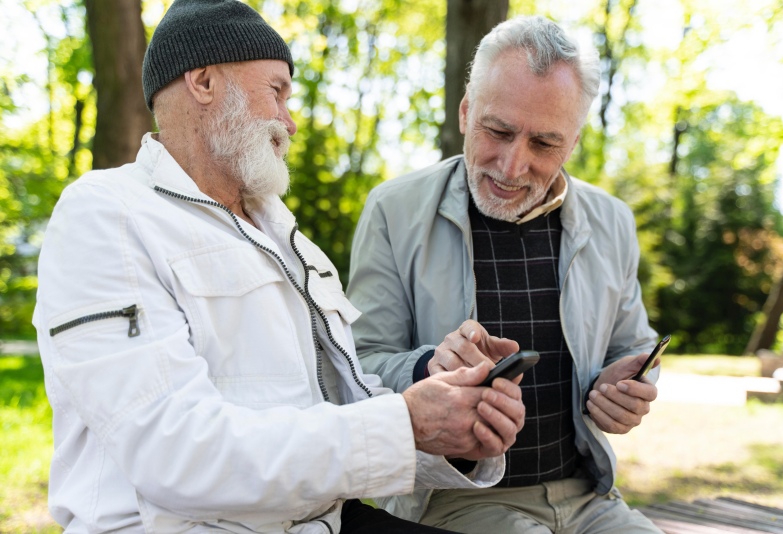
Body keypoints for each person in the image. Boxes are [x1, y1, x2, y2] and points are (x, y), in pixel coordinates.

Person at [32, 1, 527, 532]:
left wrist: (450, 424)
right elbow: (172, 452)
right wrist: (406, 424)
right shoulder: (108, 214)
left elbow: (343, 411)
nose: (289, 121)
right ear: (202, 81)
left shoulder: (281, 234)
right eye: (277, 91)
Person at [347, 15, 664, 534]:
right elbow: (355, 368)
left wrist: (628, 384)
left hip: (591, 499)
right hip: (454, 499)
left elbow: (634, 349)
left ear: (574, 141)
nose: (513, 167)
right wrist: (429, 366)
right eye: (498, 131)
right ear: (466, 112)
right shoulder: (393, 210)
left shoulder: (613, 221)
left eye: (544, 144)